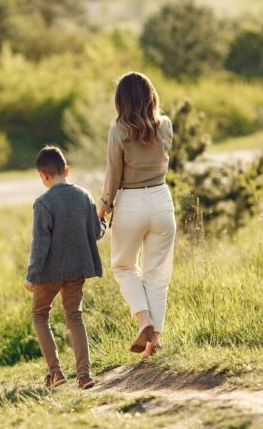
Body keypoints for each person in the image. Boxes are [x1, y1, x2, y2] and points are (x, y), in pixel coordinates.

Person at [97, 71, 176, 358]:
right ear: (151, 95)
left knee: (123, 267)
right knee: (157, 273)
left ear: (121, 101)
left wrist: (104, 205)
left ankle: (144, 320)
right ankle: (154, 340)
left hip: (130, 201)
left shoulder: (118, 131)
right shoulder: (165, 125)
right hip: (161, 198)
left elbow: (114, 174)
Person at [24, 146, 106, 390]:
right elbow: (95, 233)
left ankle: (57, 374)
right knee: (75, 316)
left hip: (48, 272)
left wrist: (31, 276)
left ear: (43, 175)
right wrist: (103, 222)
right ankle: (84, 376)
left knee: (40, 315)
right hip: (77, 269)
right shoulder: (84, 196)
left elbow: (40, 245)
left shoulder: (43, 203)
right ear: (67, 170)